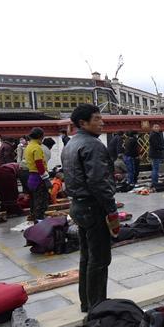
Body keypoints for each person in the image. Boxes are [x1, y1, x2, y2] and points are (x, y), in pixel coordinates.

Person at [62, 104, 119, 313]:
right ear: (82, 123)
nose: (102, 122)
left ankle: (87, 302)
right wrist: (111, 208)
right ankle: (98, 305)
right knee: (100, 258)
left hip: (78, 206)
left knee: (87, 256)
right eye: (96, 119)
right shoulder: (93, 145)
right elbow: (99, 182)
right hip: (94, 207)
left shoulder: (70, 144)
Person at [25, 127, 51, 221]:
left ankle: (35, 218)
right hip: (39, 178)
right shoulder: (37, 148)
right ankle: (40, 222)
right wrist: (46, 178)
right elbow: (39, 164)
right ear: (41, 136)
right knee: (41, 202)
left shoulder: (28, 147)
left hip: (31, 177)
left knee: (34, 201)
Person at [148, 124, 164, 189]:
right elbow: (156, 145)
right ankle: (155, 182)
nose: (157, 128)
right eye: (155, 127)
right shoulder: (153, 135)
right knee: (155, 169)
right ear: (153, 128)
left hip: (155, 154)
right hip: (155, 154)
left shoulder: (155, 134)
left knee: (155, 168)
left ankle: (155, 181)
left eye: (158, 127)